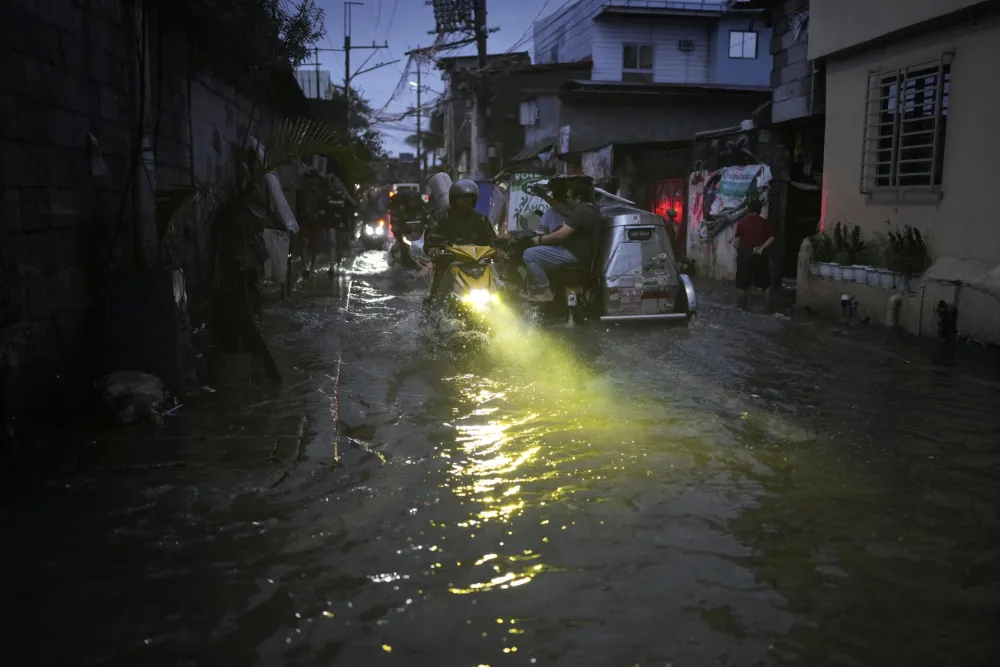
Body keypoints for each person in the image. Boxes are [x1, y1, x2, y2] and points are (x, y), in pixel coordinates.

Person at [521, 176, 601, 302]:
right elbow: (562, 210)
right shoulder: (593, 209)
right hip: (582, 255)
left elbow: (561, 235)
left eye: (569, 197)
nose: (567, 200)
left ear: (578, 198)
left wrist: (540, 240)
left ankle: (546, 293)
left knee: (529, 254)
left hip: (574, 254)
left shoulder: (580, 211)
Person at [424, 179, 497, 301]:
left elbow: (491, 238)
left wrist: (498, 249)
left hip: (476, 261)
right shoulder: (440, 216)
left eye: (468, 197)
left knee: (498, 287)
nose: (464, 201)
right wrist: (433, 248)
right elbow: (430, 236)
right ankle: (432, 314)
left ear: (473, 199)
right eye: (460, 197)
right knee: (436, 296)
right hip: (448, 260)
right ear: (454, 199)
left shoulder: (481, 219)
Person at [733, 195, 775, 311]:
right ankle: (767, 310)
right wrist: (761, 248)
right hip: (760, 255)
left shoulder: (741, 223)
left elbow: (736, 243)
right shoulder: (764, 223)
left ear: (748, 209)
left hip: (745, 255)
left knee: (742, 285)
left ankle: (741, 309)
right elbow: (772, 237)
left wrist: (743, 252)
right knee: (766, 285)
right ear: (760, 210)